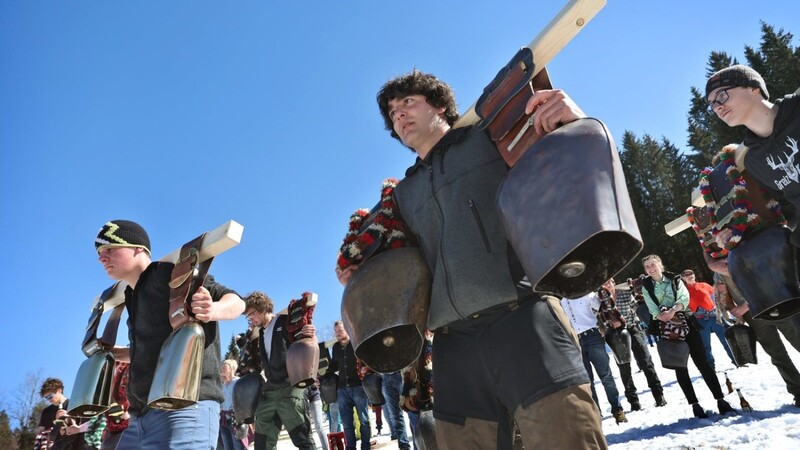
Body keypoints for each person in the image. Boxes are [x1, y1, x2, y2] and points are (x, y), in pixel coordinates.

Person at [338, 70, 606, 449]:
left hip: (525, 319)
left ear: (441, 106)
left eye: (408, 102)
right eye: (393, 113)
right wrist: (360, 270)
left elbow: (560, 157)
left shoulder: (488, 139)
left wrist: (573, 120)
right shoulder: (402, 196)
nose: (399, 115)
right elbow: (393, 264)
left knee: (567, 438)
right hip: (453, 347)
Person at [95, 219, 245, 449]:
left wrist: (213, 309)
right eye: (99, 252)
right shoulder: (132, 297)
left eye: (110, 249)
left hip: (184, 407)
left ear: (138, 248)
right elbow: (150, 350)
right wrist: (114, 353)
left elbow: (236, 301)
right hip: (140, 419)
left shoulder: (166, 273)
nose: (101, 257)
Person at [705, 65, 800, 247]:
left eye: (722, 95)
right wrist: (738, 233)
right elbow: (786, 210)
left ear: (753, 88)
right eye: (712, 104)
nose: (717, 107)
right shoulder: (752, 161)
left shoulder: (797, 108)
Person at [640, 254, 736, 418]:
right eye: (647, 266)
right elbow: (651, 307)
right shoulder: (646, 286)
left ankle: (721, 400)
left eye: (653, 264)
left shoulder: (675, 279)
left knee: (703, 363)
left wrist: (673, 310)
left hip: (687, 322)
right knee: (680, 368)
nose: (651, 268)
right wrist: (660, 315)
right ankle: (695, 405)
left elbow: (684, 298)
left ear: (660, 264)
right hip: (667, 328)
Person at [706, 253, 800, 408]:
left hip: (775, 306)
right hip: (755, 317)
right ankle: (798, 391)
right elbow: (728, 304)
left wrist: (745, 306)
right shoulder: (718, 272)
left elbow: (767, 282)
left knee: (798, 341)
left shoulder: (746, 256)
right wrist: (724, 295)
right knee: (777, 355)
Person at [243, 291, 315, 450]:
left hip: (290, 386)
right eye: (248, 317)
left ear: (262, 308)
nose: (251, 319)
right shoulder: (260, 333)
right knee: (262, 444)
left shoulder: (284, 321)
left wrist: (309, 335)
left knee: (302, 438)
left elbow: (304, 341)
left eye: (252, 314)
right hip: (270, 390)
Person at [561, 293, 628, 424]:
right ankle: (596, 414)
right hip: (574, 342)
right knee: (587, 381)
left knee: (606, 375)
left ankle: (617, 409)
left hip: (593, 337)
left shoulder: (585, 294)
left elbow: (604, 307)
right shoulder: (558, 302)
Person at [600, 279, 666, 410]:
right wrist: (610, 324)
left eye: (609, 282)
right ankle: (633, 400)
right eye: (604, 284)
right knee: (624, 368)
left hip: (632, 328)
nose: (607, 285)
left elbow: (636, 306)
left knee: (646, 361)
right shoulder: (601, 301)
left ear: (614, 282)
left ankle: (658, 395)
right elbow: (599, 317)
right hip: (615, 334)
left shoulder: (625, 293)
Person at [680, 269, 736, 370]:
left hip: (714, 316)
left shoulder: (704, 285)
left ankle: (736, 361)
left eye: (691, 273)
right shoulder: (683, 291)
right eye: (686, 275)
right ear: (683, 278)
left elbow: (716, 296)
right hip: (700, 320)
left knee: (726, 340)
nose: (689, 276)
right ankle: (710, 367)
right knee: (706, 346)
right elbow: (684, 307)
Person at [331, 320, 371, 450]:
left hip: (358, 387)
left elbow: (367, 360)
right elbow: (334, 367)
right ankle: (351, 447)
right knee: (347, 424)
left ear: (347, 329)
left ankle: (365, 446)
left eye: (340, 330)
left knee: (364, 420)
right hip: (342, 389)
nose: (337, 333)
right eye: (336, 331)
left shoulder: (356, 342)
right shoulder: (335, 348)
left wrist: (366, 369)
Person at [39, 377, 86, 450]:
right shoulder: (46, 412)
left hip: (75, 445)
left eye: (50, 396)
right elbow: (41, 434)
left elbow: (85, 426)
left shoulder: (75, 404)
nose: (48, 399)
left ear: (59, 390)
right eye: (46, 398)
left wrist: (68, 418)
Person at [219, 359, 246, 450]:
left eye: (225, 366)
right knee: (227, 445)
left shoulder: (238, 382)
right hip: (223, 419)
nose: (222, 368)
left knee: (238, 445)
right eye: (222, 366)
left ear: (232, 368)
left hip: (235, 417)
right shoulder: (221, 385)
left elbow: (244, 399)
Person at [381, 371, 410, 449]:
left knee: (412, 409)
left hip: (402, 373)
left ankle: (417, 441)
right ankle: (404, 445)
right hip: (385, 376)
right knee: (395, 415)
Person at [306, 382, 330, 450]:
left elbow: (316, 381)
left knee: (318, 426)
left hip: (314, 398)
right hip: (303, 401)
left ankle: (325, 448)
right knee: (306, 428)